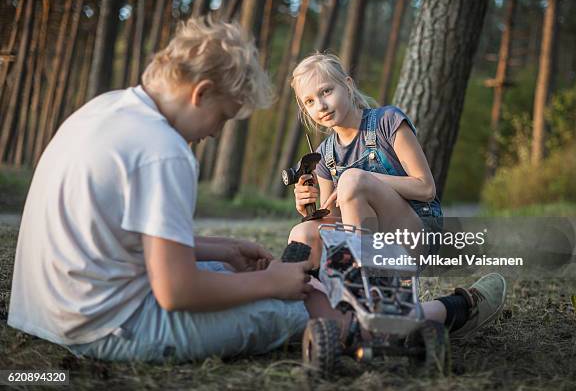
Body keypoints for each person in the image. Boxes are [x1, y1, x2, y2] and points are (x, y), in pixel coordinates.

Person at [8, 18, 341, 362]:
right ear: (202, 93)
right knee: (292, 310)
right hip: (102, 325)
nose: (214, 133)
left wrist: (225, 249)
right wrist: (273, 284)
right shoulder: (165, 150)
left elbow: (118, 237)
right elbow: (177, 291)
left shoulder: (105, 108)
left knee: (232, 273)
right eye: (223, 117)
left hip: (43, 310)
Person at [286, 53, 507, 338]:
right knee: (302, 232)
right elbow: (334, 222)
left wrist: (363, 179)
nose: (322, 105)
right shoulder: (326, 154)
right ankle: (312, 309)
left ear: (348, 86)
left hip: (411, 234)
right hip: (362, 241)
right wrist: (306, 210)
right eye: (310, 101)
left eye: (326, 91)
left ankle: (365, 296)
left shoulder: (387, 122)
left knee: (353, 180)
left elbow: (426, 188)